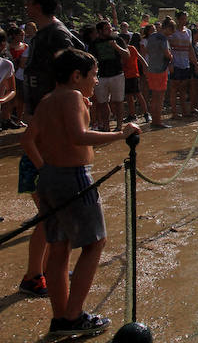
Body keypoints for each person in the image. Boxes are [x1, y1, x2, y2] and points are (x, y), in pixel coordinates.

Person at [19, 48, 140, 339]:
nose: (96, 81)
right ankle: (74, 316)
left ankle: (61, 317)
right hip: (73, 178)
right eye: (93, 75)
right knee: (95, 243)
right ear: (76, 76)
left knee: (58, 249)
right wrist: (121, 134)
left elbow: (27, 139)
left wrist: (45, 168)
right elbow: (78, 136)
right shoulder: (72, 96)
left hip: (49, 179)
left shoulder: (47, 100)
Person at [18, 0, 83, 298]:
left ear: (39, 6)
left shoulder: (57, 34)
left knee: (51, 215)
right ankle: (36, 275)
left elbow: (78, 62)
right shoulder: (40, 35)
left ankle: (42, 272)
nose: (26, 5)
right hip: (44, 136)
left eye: (29, 1)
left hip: (50, 128)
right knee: (50, 214)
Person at [88, 21, 130, 132]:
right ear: (100, 31)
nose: (110, 30)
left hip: (117, 74)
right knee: (102, 103)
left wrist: (116, 47)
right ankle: (106, 126)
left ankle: (119, 126)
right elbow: (91, 60)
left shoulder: (117, 39)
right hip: (101, 76)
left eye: (110, 28)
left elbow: (127, 55)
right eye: (107, 29)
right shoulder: (94, 43)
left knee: (119, 101)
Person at [168, 11, 198, 119]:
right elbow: (167, 48)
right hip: (175, 62)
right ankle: (174, 112)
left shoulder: (188, 32)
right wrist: (170, 63)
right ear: (177, 19)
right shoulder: (172, 32)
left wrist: (195, 62)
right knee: (174, 88)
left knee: (183, 88)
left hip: (185, 63)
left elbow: (190, 48)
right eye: (182, 18)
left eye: (185, 19)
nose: (184, 21)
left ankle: (185, 111)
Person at [144, 17, 173, 127]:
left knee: (154, 96)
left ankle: (154, 120)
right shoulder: (163, 39)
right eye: (171, 31)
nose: (171, 34)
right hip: (161, 69)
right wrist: (171, 56)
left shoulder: (151, 36)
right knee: (160, 97)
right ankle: (157, 121)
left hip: (151, 68)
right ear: (168, 28)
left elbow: (147, 50)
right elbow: (166, 53)